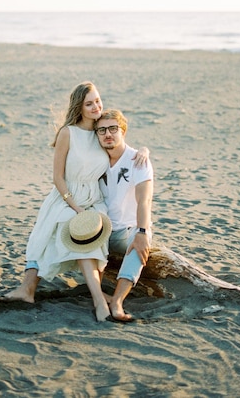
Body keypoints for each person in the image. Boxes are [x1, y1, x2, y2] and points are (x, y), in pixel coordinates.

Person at [0, 82, 148, 322]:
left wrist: (144, 150)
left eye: (98, 101)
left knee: (91, 235)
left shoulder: (100, 132)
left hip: (94, 199)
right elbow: (57, 177)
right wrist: (76, 207)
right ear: (80, 107)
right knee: (59, 231)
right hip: (67, 197)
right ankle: (98, 300)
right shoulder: (67, 133)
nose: (96, 106)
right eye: (89, 103)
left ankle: (98, 298)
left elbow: (120, 145)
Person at [95, 109, 154, 323]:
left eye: (113, 128)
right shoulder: (96, 161)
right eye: (101, 130)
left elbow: (144, 200)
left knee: (139, 246)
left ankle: (117, 300)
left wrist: (142, 231)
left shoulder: (137, 160)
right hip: (101, 229)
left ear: (123, 130)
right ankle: (100, 297)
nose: (107, 134)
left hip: (129, 229)